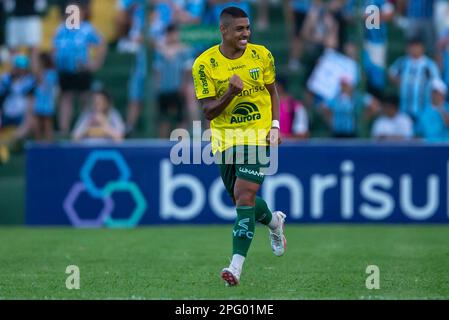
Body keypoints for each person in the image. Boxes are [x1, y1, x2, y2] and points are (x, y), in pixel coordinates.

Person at [191, 6, 287, 287]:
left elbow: (272, 91)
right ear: (223, 30)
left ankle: (235, 267)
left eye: (248, 28)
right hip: (224, 140)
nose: (246, 33)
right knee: (241, 201)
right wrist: (231, 91)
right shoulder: (204, 64)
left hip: (257, 136)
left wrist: (276, 125)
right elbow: (208, 111)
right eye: (239, 29)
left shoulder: (262, 55)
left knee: (244, 197)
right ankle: (273, 222)